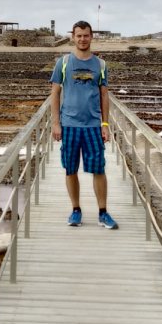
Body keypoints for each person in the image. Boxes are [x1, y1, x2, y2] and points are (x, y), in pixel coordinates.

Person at [49, 20, 118, 229]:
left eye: (86, 35)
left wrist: (105, 124)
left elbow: (104, 95)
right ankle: (76, 210)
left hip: (93, 125)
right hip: (69, 125)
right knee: (71, 169)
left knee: (99, 168)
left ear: (91, 37)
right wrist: (55, 123)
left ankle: (103, 212)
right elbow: (55, 93)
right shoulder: (63, 63)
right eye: (78, 35)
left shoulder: (100, 65)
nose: (82, 39)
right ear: (73, 37)